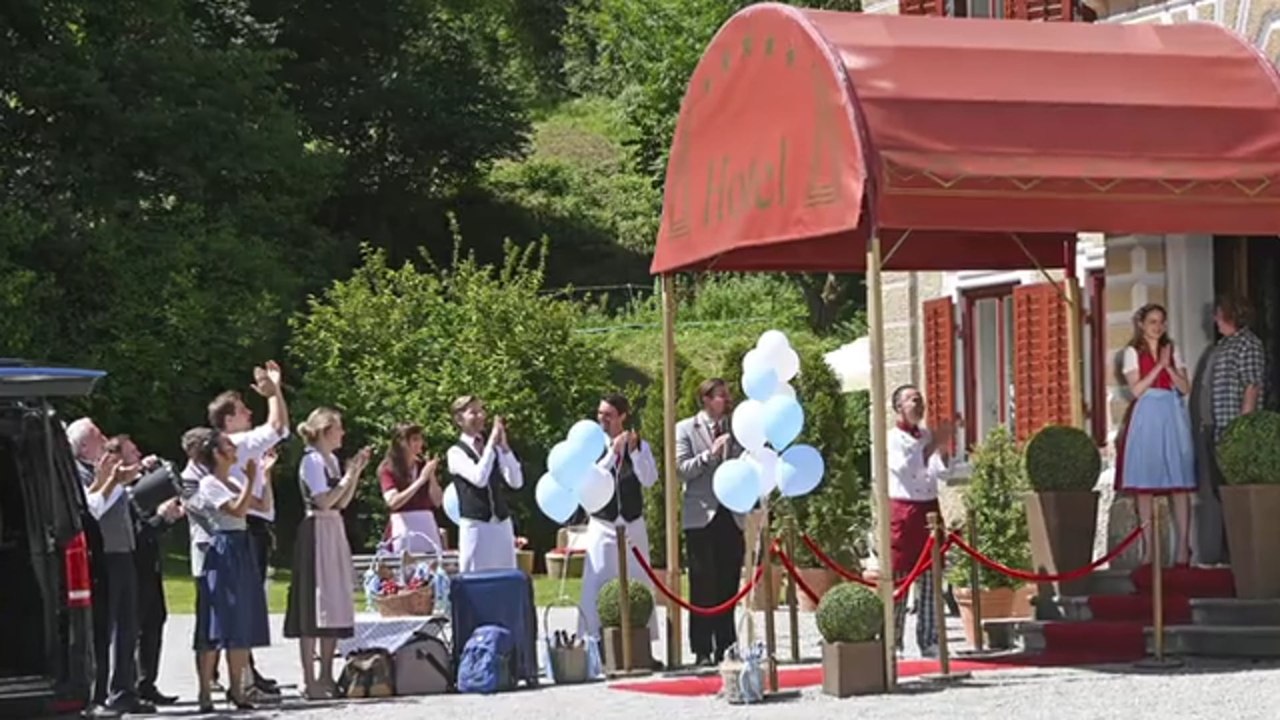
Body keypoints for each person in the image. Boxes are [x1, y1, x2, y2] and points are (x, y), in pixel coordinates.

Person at [205, 360, 290, 694]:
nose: (248, 415)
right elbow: (279, 427)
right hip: (244, 524)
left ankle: (244, 672)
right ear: (228, 420)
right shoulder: (234, 444)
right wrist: (274, 392)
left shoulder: (229, 446)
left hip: (249, 523)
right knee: (243, 602)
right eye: (242, 411)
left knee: (243, 601)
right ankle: (242, 677)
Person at [67, 418, 153, 717]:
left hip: (122, 552)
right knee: (105, 628)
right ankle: (101, 693)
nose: (105, 440)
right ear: (84, 445)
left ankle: (124, 690)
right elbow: (89, 511)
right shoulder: (75, 472)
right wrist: (113, 482)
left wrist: (120, 481)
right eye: (98, 436)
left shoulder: (100, 471)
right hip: (101, 556)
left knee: (128, 626)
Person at [283, 408, 369, 700]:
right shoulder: (312, 461)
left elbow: (341, 503)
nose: (343, 434)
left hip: (333, 527)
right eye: (339, 428)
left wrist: (354, 472)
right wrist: (346, 478)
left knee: (332, 600)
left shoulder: (330, 460)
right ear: (324, 430)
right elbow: (323, 501)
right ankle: (309, 679)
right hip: (316, 530)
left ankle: (326, 676)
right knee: (313, 602)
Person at [188, 430, 273, 711]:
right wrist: (250, 480)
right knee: (215, 622)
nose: (233, 447)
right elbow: (236, 510)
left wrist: (265, 477)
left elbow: (263, 506)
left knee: (240, 620)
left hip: (241, 546)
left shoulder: (233, 480)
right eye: (227, 444)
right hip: (223, 549)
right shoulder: (210, 483)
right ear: (216, 453)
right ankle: (205, 690)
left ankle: (237, 689)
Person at [1115, 303, 1196, 566]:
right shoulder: (1132, 352)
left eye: (1161, 321)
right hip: (1148, 412)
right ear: (1142, 324)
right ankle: (1149, 549)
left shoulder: (1172, 350)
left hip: (1171, 412)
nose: (1158, 326)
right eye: (1152, 321)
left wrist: (1169, 366)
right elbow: (1137, 390)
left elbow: (1184, 388)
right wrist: (1158, 367)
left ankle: (1183, 547)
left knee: (1179, 481)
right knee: (1145, 483)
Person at [578, 393, 660, 644]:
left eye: (609, 415)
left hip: (632, 524)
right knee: (597, 579)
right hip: (604, 524)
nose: (602, 419)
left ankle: (641, 642)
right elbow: (590, 479)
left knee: (639, 580)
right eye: (600, 414)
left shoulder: (639, 444)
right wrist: (612, 454)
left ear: (622, 416)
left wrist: (634, 453)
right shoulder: (592, 445)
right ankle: (593, 641)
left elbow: (649, 479)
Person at [675, 378, 744, 666]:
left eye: (727, 395)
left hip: (731, 514)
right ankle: (702, 648)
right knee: (703, 584)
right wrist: (710, 454)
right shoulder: (686, 428)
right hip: (701, 515)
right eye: (719, 395)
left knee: (729, 582)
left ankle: (726, 644)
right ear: (705, 398)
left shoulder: (737, 427)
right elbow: (682, 470)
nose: (726, 400)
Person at [1196, 294, 1267, 563]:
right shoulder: (1224, 346)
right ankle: (1228, 553)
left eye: (1218, 314)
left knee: (1236, 493)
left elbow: (1251, 386)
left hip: (1234, 430)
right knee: (1221, 492)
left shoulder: (1248, 344)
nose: (1214, 319)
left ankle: (1241, 554)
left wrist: (1241, 432)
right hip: (1217, 428)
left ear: (1230, 315)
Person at [113, 435, 182, 706]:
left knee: (155, 621)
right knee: (133, 626)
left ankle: (147, 682)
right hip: (134, 566)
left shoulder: (141, 484)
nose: (139, 454)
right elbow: (138, 534)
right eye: (133, 452)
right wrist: (162, 518)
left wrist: (166, 519)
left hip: (150, 565)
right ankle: (128, 685)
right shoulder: (121, 494)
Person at [886, 384, 952, 658]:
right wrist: (929, 448)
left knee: (929, 578)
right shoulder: (892, 438)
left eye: (921, 400)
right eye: (913, 400)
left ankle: (929, 639)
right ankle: (894, 640)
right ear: (899, 407)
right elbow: (904, 468)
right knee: (900, 579)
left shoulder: (926, 435)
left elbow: (940, 473)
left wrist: (944, 453)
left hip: (929, 507)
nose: (919, 405)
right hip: (904, 510)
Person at [445, 395, 524, 572]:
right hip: (476, 525)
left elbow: (516, 481)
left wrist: (504, 448)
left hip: (501, 524)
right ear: (459, 419)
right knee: (475, 578)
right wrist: (490, 446)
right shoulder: (455, 452)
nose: (480, 416)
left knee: (505, 577)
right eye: (473, 412)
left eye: (481, 411)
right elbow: (478, 478)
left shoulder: (493, 448)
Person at [379, 422, 444, 553]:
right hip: (403, 527)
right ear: (401, 442)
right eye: (415, 439)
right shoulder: (387, 469)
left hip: (427, 525)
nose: (420, 443)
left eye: (420, 439)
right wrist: (420, 480)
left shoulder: (422, 466)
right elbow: (393, 502)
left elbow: (437, 501)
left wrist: (431, 476)